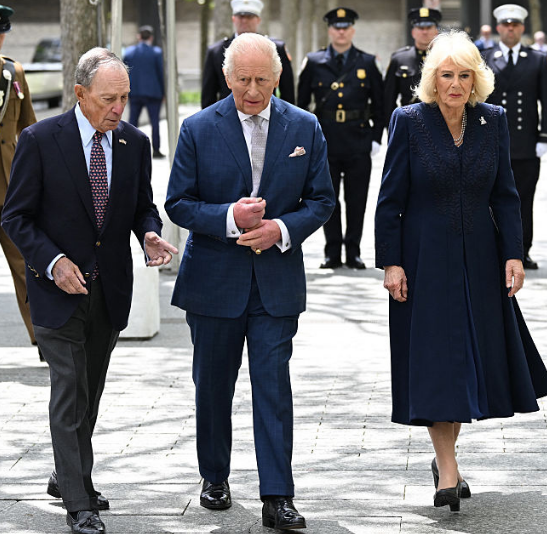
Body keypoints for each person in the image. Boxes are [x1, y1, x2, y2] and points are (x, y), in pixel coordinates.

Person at [375, 30, 547, 514]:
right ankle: (448, 468)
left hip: (480, 258)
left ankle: (446, 460)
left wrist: (514, 254)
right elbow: (389, 199)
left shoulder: (492, 121)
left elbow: (506, 195)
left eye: (464, 75)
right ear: (432, 79)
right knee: (438, 362)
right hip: (422, 260)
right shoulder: (408, 121)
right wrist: (391, 261)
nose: (455, 84)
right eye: (446, 75)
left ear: (477, 79)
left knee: (466, 361)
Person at [1, 47, 177, 534]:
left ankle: (66, 473)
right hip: (55, 289)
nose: (118, 108)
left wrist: (148, 232)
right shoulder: (39, 140)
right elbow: (15, 217)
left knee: (90, 390)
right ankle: (78, 500)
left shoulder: (135, 144)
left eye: (123, 97)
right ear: (80, 94)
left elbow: (143, 205)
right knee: (69, 388)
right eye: (107, 99)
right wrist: (53, 262)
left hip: (109, 288)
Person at [165, 33, 335, 530]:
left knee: (273, 387)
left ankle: (277, 494)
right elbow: (178, 202)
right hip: (214, 282)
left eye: (263, 80)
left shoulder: (305, 126)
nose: (254, 90)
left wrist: (279, 229)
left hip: (276, 283)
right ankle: (214, 476)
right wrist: (230, 218)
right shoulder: (198, 128)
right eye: (244, 80)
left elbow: (322, 200)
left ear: (279, 78)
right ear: (226, 77)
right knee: (213, 386)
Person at [297, 7, 383, 270]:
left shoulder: (367, 62)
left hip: (358, 139)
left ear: (353, 30)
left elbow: (380, 104)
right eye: (336, 27)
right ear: (329, 30)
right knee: (327, 197)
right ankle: (332, 252)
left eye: (346, 27)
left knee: (357, 200)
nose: (341, 31)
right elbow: (301, 106)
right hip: (326, 140)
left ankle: (354, 251)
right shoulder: (313, 61)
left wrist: (376, 138)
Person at [482, 4, 547, 270]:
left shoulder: (536, 58)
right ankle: (494, 249)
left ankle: (522, 250)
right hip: (492, 142)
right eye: (505, 25)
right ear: (499, 28)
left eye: (515, 25)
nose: (510, 29)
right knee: (490, 199)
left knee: (524, 199)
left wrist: (546, 136)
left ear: (522, 28)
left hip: (526, 144)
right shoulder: (485, 57)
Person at [0, 5, 37, 351]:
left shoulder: (14, 72)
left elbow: (28, 129)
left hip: (10, 189)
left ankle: (43, 338)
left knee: (26, 267)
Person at [201, 0, 294, 108]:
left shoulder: (276, 49)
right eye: (240, 16)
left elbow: (288, 94)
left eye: (250, 17)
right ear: (233, 19)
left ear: (258, 20)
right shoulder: (216, 52)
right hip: (228, 118)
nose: (244, 20)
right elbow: (208, 97)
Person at [384, 7, 441, 125]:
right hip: (409, 123)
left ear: (436, 31)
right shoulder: (399, 59)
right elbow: (388, 99)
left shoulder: (446, 58)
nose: (424, 32)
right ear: (413, 32)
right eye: (420, 28)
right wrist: (393, 126)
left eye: (429, 27)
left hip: (440, 121)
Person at [123, 25, 165, 158]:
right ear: (151, 38)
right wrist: (163, 92)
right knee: (155, 122)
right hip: (153, 93)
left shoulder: (129, 52)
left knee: (132, 122)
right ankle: (156, 150)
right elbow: (161, 74)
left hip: (134, 92)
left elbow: (124, 73)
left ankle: (128, 148)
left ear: (139, 37)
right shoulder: (157, 52)